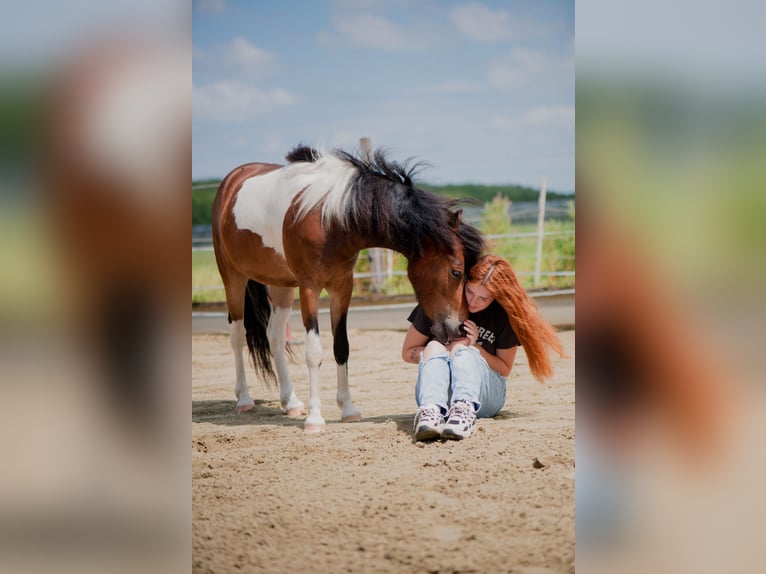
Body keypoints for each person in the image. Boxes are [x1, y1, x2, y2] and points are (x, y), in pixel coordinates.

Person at [401, 254, 564, 441]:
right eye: (470, 292)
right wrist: (447, 350)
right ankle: (431, 411)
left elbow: (504, 369)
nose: (473, 301)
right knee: (434, 346)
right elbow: (407, 352)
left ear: (495, 297)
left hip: (485, 395)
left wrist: (475, 347)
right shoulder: (437, 303)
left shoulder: (502, 316)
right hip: (440, 390)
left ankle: (464, 411)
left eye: (483, 298)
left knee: (464, 352)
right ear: (464, 282)